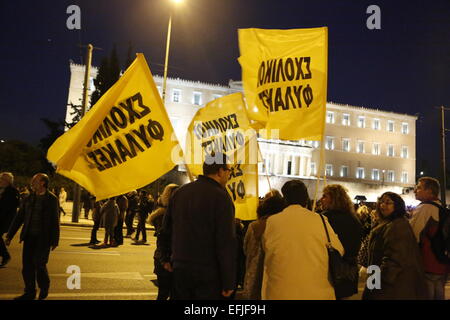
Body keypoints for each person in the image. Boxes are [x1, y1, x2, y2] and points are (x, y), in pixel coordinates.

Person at [159, 152, 236, 300]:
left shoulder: (180, 192)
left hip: (180, 267)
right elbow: (225, 241)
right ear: (220, 171)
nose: (229, 174)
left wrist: (165, 258)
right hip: (208, 272)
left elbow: (166, 229)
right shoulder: (222, 197)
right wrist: (228, 280)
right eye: (229, 170)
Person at [262, 180, 344, 300]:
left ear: (285, 199)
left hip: (280, 291)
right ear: (306, 199)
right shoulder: (320, 220)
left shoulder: (273, 221)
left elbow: (267, 249)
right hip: (318, 291)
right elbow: (339, 249)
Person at [362, 192, 427, 300]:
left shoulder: (397, 226)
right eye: (381, 202)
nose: (383, 205)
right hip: (379, 280)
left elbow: (393, 260)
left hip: (391, 287)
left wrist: (377, 284)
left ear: (397, 206)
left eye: (388, 203)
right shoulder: (387, 223)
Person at [5, 173, 60, 300]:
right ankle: (29, 292)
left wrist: (55, 240)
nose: (32, 182)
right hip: (29, 236)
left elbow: (55, 220)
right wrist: (10, 235)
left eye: (35, 180)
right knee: (27, 266)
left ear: (42, 183)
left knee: (39, 265)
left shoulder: (52, 199)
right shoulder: (29, 198)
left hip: (44, 238)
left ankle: (44, 286)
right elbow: (19, 217)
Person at [240, 190, 286, 300]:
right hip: (274, 272)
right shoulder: (282, 226)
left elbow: (246, 248)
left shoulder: (255, 226)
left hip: (253, 271)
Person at [320, 184, 363, 299]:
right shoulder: (354, 219)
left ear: (334, 199)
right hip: (348, 272)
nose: (321, 199)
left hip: (330, 272)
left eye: (325, 196)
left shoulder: (325, 219)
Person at [410, 177, 450, 300]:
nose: (415, 190)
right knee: (439, 292)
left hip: (428, 260)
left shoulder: (424, 208)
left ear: (429, 191)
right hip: (442, 260)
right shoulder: (441, 208)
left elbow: (413, 235)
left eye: (419, 187)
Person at [150, 183, 179, 300]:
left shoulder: (175, 214)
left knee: (174, 293)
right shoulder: (164, 216)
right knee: (164, 293)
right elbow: (163, 239)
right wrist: (165, 260)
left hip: (173, 259)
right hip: (165, 260)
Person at [0, 172, 20, 266]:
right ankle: (5, 255)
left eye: (2, 179)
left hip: (6, 219)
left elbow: (10, 206)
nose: (0, 180)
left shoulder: (13, 191)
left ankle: (6, 256)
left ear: (8, 181)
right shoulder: (2, 189)